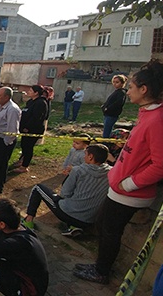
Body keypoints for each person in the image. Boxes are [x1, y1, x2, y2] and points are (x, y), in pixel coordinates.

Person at [74, 60, 163, 285]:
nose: (128, 91)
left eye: (131, 87)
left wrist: (129, 184)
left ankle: (102, 271)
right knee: (103, 226)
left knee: (110, 231)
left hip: (129, 192)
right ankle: (99, 265)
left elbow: (160, 165)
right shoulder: (147, 113)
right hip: (119, 186)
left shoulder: (158, 120)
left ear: (144, 90)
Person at [22, 144, 111, 237]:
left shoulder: (78, 170)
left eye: (85, 154)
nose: (84, 156)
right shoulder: (111, 173)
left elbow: (65, 194)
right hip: (90, 220)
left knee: (38, 188)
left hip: (68, 214)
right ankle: (74, 227)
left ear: (91, 157)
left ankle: (28, 221)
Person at [0, 87, 21, 192]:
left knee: (0, 163)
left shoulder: (12, 109)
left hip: (3, 141)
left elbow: (12, 130)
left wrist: (6, 143)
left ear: (6, 97)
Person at [14, 85, 48, 173]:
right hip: (25, 129)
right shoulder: (30, 102)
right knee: (24, 145)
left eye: (30, 90)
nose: (28, 91)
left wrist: (28, 127)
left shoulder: (41, 103)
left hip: (33, 130)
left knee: (28, 147)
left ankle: (25, 166)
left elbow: (37, 118)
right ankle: (22, 160)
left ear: (36, 93)